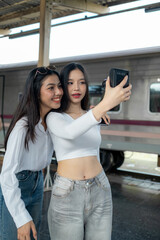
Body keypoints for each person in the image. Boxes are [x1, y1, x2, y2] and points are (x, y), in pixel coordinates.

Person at [46, 62, 132, 240]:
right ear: (62, 86)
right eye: (70, 83)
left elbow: (86, 128)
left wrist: (97, 111)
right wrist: (105, 104)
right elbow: (70, 132)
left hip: (100, 187)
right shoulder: (54, 117)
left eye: (82, 82)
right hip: (67, 192)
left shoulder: (92, 115)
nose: (76, 87)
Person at [0, 67, 63, 240]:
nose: (58, 92)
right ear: (36, 92)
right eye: (51, 88)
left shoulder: (51, 122)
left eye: (59, 86)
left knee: (32, 236)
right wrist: (20, 218)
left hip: (37, 182)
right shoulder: (23, 126)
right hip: (18, 184)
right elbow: (7, 175)